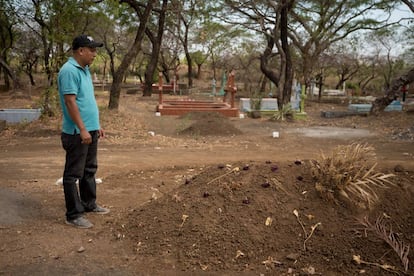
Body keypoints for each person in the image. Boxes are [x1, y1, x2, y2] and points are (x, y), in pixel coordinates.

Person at [57, 35, 109, 229]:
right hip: (77, 133)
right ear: (81, 51)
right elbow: (70, 102)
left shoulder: (84, 70)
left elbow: (86, 101)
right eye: (92, 50)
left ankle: (89, 204)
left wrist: (96, 125)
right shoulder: (69, 71)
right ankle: (73, 214)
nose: (95, 54)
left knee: (89, 169)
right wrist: (83, 129)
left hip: (90, 130)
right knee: (73, 174)